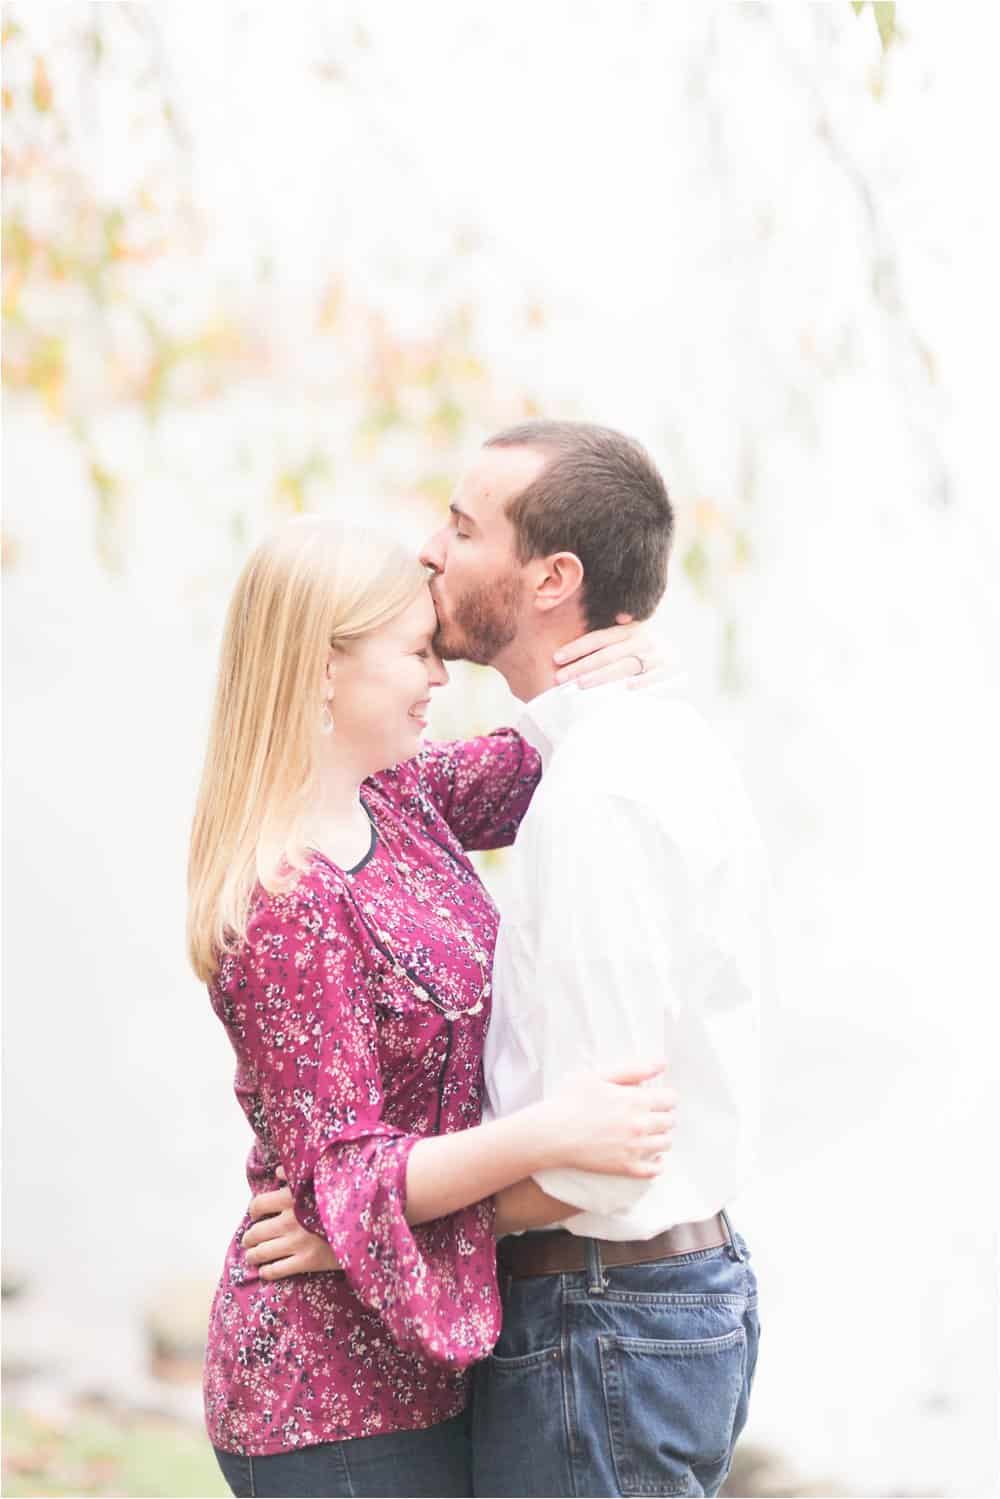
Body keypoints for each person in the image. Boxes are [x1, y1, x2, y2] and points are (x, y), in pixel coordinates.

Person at [250, 421, 766, 1498]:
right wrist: (362, 1206)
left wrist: (364, 1225)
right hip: (614, 1308)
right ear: (321, 672)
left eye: (461, 525)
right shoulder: (373, 827)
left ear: (552, 577)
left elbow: (591, 1155)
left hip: (601, 1316)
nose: (431, 548)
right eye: (411, 655)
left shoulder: (586, 790)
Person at [188, 517, 675, 1499]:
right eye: (417, 653)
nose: (440, 677)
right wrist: (554, 1130)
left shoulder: (397, 798)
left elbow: (546, 760)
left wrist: (621, 659)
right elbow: (349, 1183)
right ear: (324, 669)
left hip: (426, 1365)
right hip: (323, 1402)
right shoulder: (292, 901)